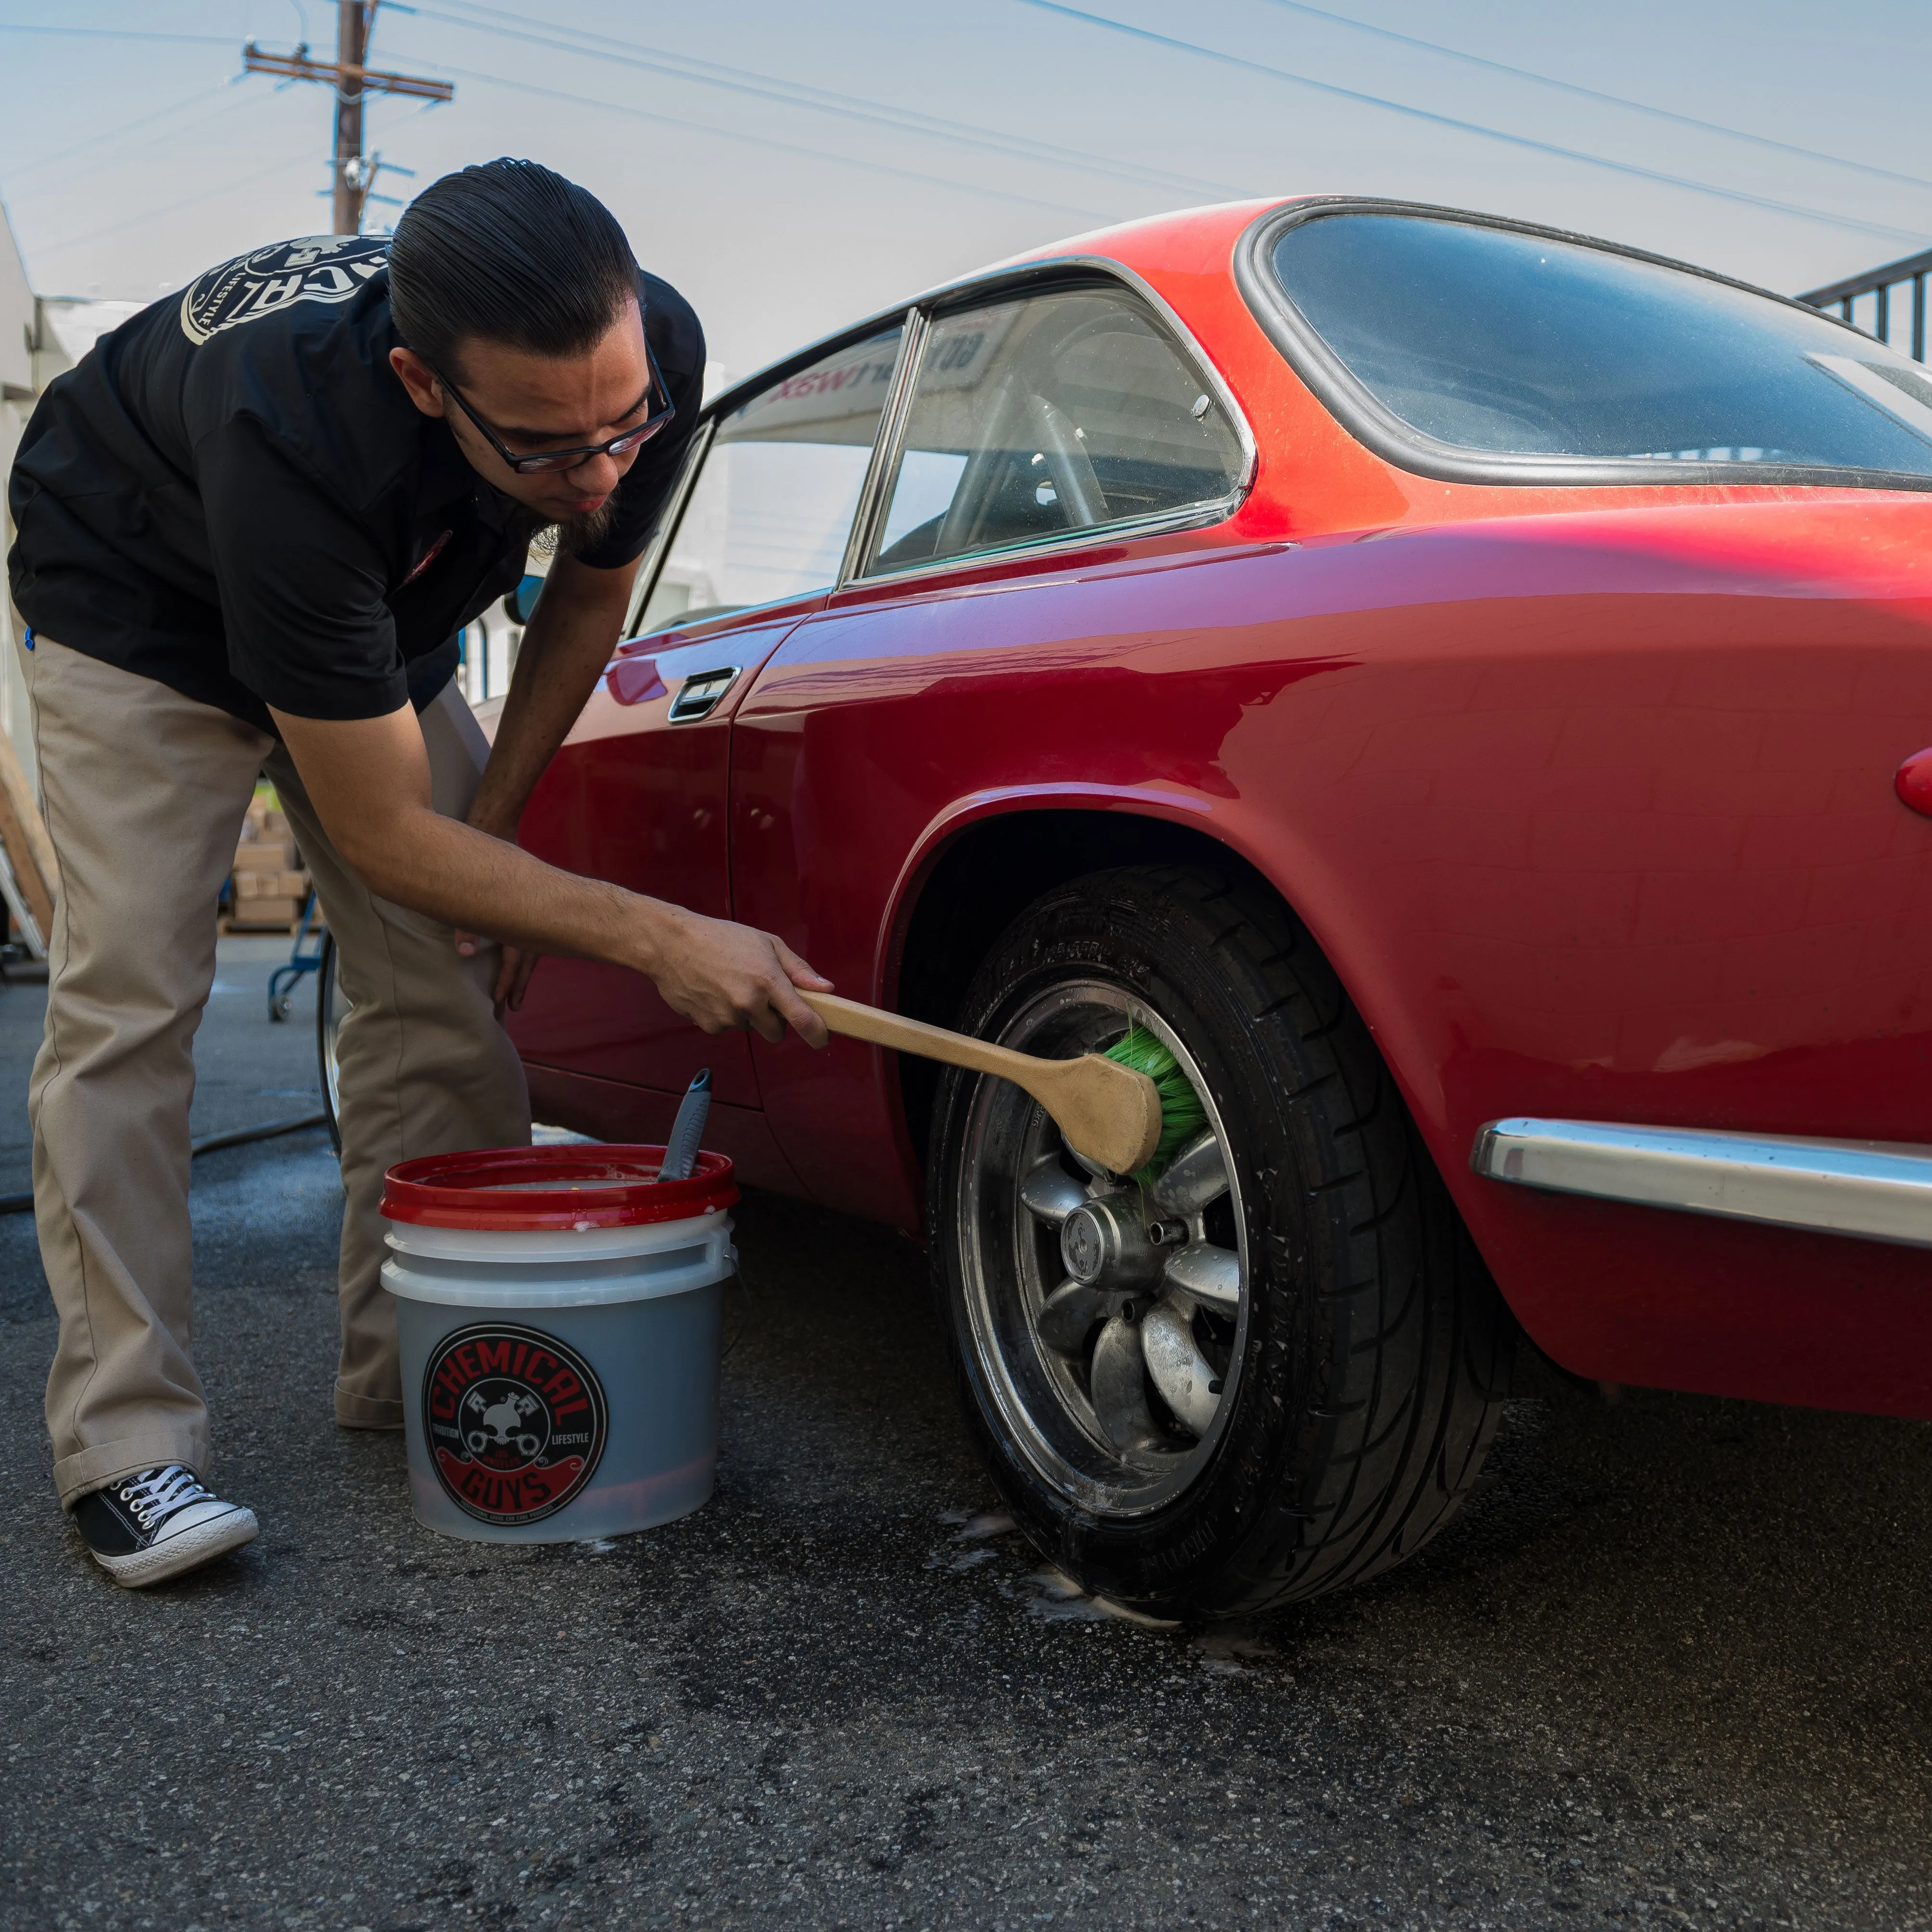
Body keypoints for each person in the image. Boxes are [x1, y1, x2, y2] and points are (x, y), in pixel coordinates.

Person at [5, 158, 831, 1589]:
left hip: (371, 617)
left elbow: (589, 590)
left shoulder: (632, 367)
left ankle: (419, 1367)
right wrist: (656, 935)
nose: (598, 476)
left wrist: (498, 831)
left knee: (448, 986)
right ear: (423, 383)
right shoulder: (293, 432)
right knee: (130, 1004)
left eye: (621, 428)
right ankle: (125, 1446)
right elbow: (386, 839)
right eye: (546, 451)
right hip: (144, 609)